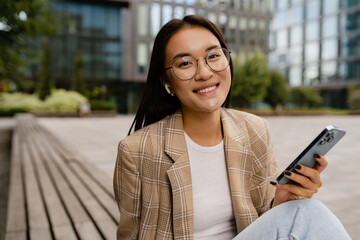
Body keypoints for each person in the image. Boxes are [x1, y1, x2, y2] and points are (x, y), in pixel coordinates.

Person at [113, 15, 351, 240]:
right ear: (167, 82)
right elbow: (129, 235)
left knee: (303, 208)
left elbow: (263, 222)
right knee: (306, 214)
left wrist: (282, 203)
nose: (205, 72)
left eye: (213, 56)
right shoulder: (137, 151)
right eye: (185, 63)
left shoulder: (254, 130)